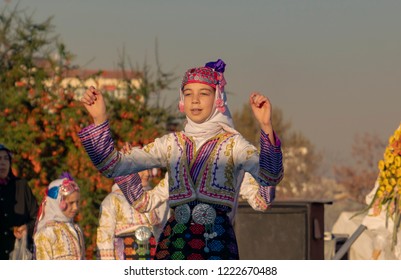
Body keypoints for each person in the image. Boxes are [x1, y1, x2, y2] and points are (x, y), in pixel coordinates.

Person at [78, 58, 284, 260]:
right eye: (188, 93)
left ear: (218, 98)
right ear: (181, 100)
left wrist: (266, 127)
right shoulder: (171, 145)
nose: (194, 100)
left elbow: (270, 178)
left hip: (215, 244)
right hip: (173, 244)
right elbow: (113, 167)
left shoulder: (234, 146)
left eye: (203, 93)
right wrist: (99, 119)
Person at [96, 170, 170, 260]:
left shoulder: (156, 200)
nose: (147, 173)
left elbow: (163, 232)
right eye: (141, 169)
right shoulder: (112, 201)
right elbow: (105, 236)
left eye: (149, 169)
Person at [33, 172, 85, 260]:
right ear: (56, 202)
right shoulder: (46, 233)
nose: (75, 208)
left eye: (77, 202)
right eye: (71, 203)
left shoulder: (76, 229)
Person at [0, 144, 38, 260]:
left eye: (6, 158)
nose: (3, 163)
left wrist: (27, 228)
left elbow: (37, 217)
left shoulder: (21, 186)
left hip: (20, 255)